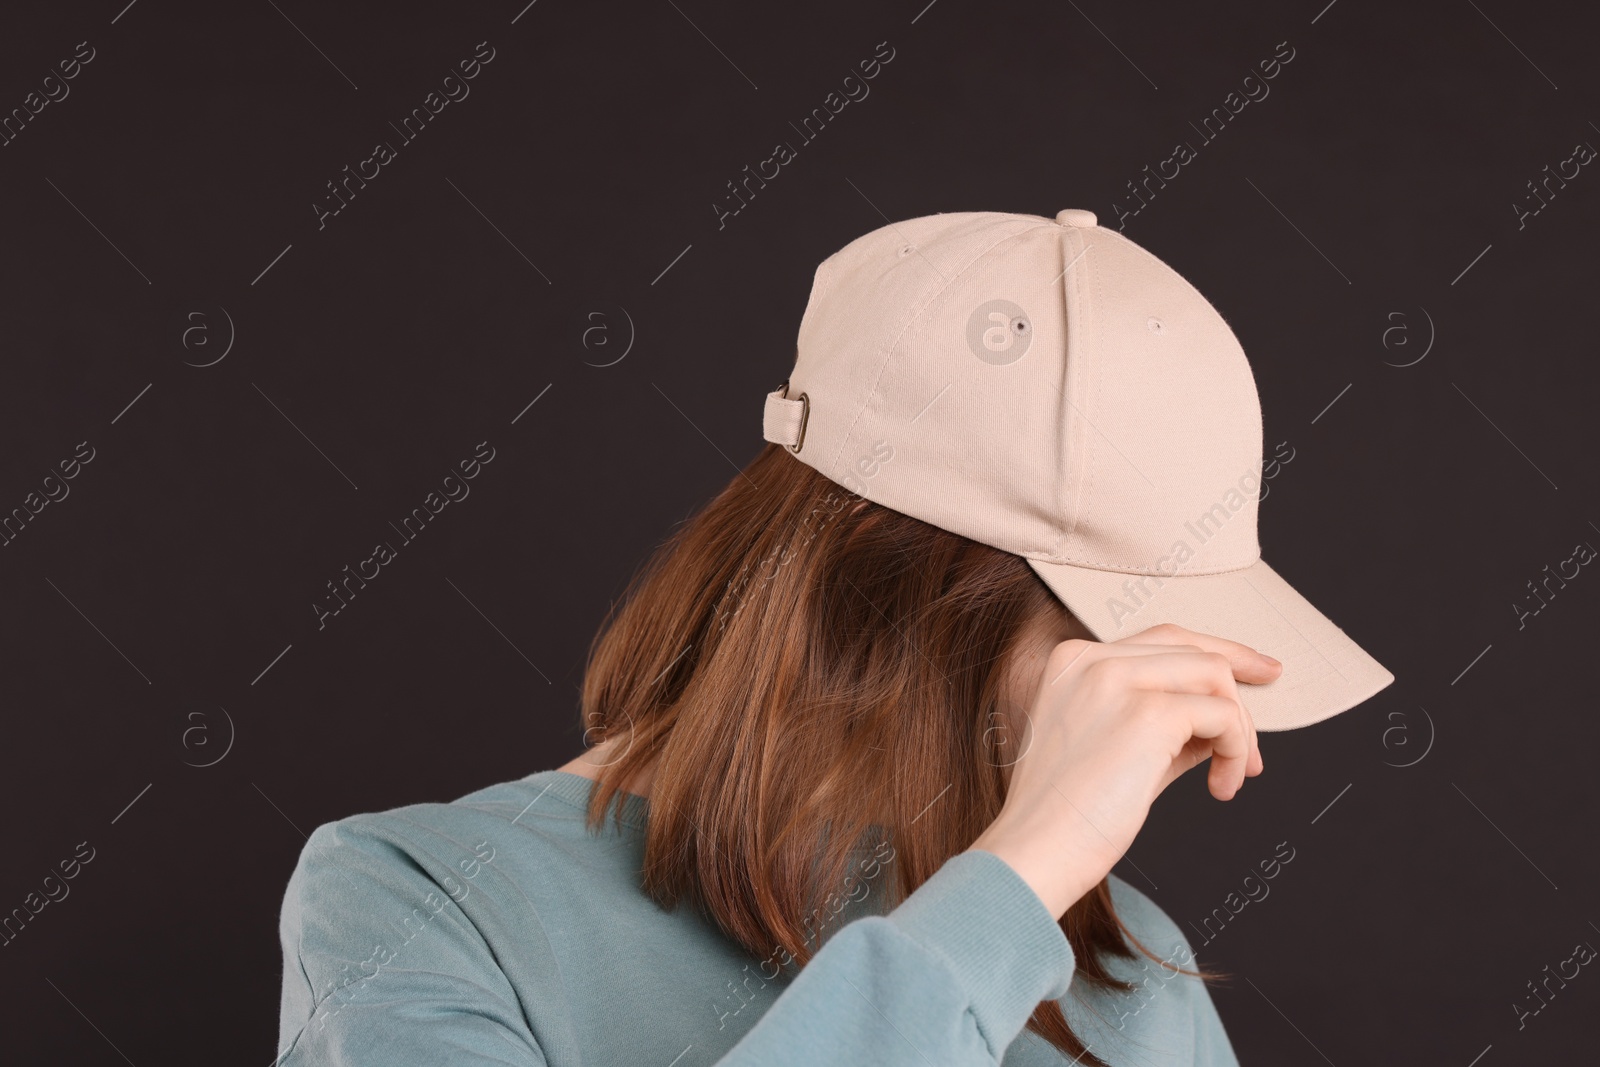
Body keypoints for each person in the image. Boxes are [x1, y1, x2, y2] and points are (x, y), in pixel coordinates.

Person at [273, 208, 1393, 1065]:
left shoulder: (1121, 967)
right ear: (884, 589)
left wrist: (1026, 890)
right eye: (1112, 639)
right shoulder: (418, 901)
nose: (1151, 718)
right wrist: (1014, 873)